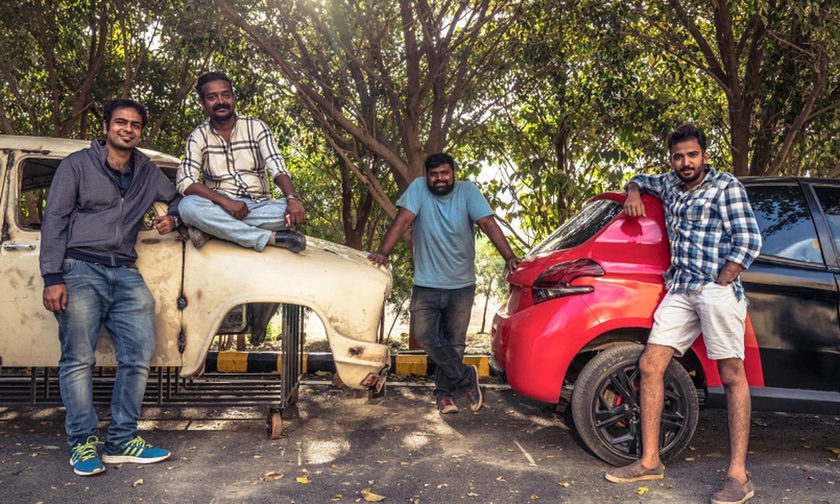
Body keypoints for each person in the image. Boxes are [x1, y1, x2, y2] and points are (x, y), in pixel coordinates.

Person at [605, 124, 762, 504]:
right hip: (680, 290)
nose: (685, 162)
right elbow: (638, 177)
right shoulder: (670, 184)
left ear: (704, 155)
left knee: (730, 375)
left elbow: (749, 239)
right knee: (650, 364)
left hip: (716, 289)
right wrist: (633, 191)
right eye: (678, 156)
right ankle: (650, 460)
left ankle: (738, 476)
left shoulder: (726, 187)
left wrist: (723, 280)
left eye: (692, 155)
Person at [40, 98, 178, 476]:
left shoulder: (147, 171)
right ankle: (83, 443)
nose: (128, 129)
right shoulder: (77, 166)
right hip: (79, 268)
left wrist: (175, 218)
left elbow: (177, 198)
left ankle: (121, 441)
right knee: (77, 360)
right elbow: (54, 220)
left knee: (138, 356)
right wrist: (52, 276)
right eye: (121, 122)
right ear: (105, 126)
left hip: (125, 271)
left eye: (135, 124)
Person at [368, 153, 519, 414]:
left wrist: (509, 256)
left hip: (461, 286)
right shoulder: (418, 189)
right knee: (426, 335)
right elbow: (403, 220)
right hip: (426, 284)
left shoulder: (468, 192)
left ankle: (444, 395)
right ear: (427, 176)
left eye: (444, 173)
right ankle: (465, 377)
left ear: (453, 173)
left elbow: (487, 223)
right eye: (434, 174)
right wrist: (384, 251)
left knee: (455, 343)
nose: (439, 179)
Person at [176, 71, 306, 252]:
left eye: (225, 95)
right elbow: (186, 181)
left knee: (292, 209)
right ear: (202, 102)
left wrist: (292, 199)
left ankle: (213, 229)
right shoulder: (198, 136)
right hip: (220, 206)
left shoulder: (256, 126)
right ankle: (269, 238)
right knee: (188, 206)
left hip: (259, 206)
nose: (220, 101)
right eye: (212, 97)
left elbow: (277, 167)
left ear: (233, 97)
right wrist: (225, 201)